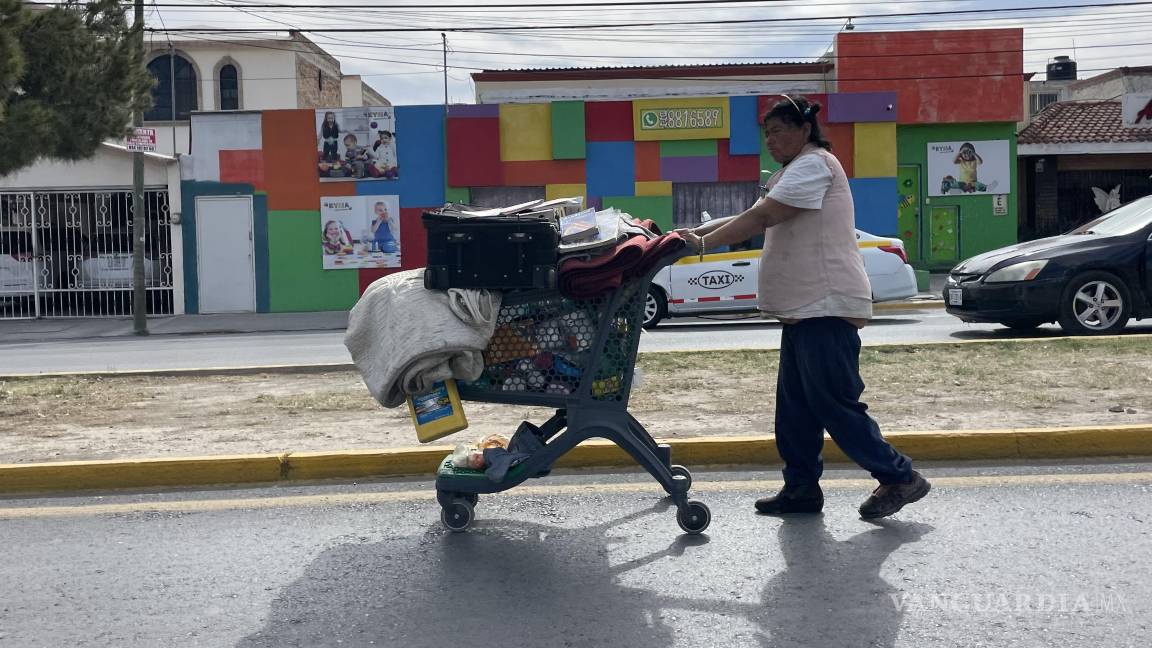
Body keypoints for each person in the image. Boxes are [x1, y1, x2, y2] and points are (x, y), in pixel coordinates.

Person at [675, 96, 930, 520]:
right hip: (802, 308)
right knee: (794, 409)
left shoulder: (815, 165)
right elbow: (753, 213)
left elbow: (763, 218)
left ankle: (899, 476)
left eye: (778, 131)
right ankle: (801, 489)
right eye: (767, 134)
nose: (771, 141)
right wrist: (689, 232)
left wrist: (699, 245)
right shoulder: (791, 171)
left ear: (804, 130)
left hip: (824, 306)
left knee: (833, 404)